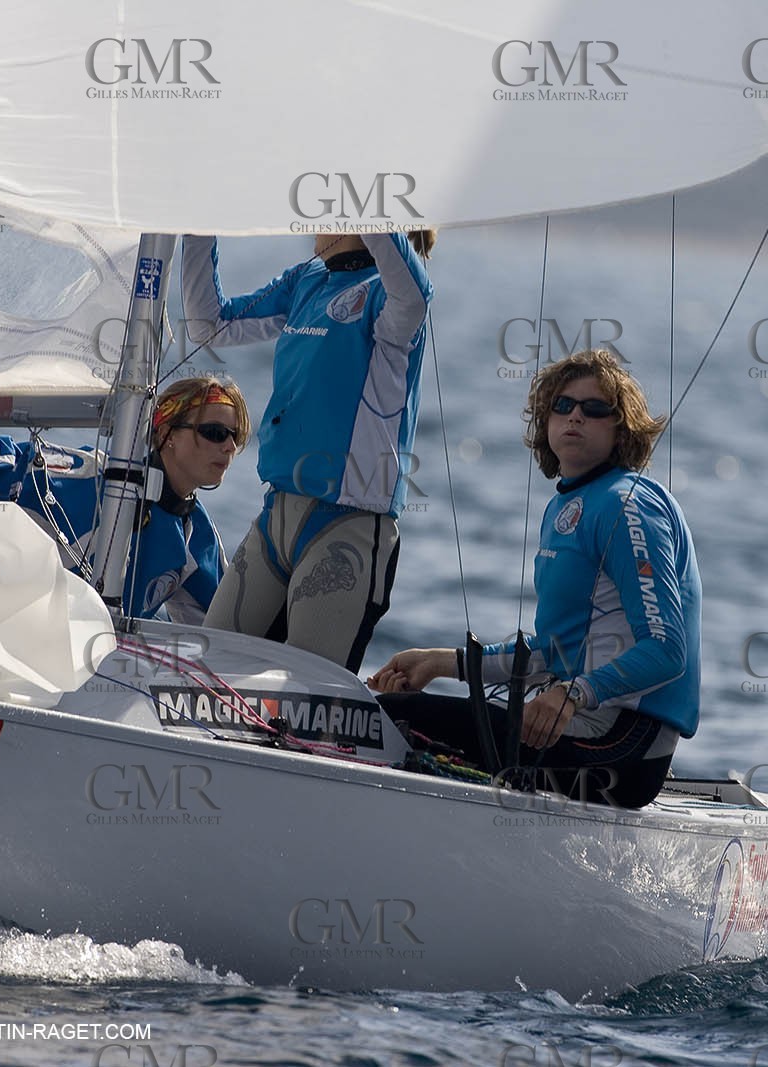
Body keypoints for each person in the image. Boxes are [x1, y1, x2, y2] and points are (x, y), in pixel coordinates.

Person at [368, 349, 699, 809]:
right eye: (562, 406)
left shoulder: (629, 506)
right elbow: (553, 653)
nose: (574, 416)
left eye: (593, 408)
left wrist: (572, 693)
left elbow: (666, 649)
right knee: (387, 717)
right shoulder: (568, 505)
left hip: (625, 748)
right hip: (579, 721)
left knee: (390, 719)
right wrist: (440, 662)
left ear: (621, 426)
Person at [182, 228, 435, 672]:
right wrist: (196, 225)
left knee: (303, 695)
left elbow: (415, 295)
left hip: (348, 525)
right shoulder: (308, 280)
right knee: (206, 669)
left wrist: (366, 195)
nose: (314, 219)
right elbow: (210, 325)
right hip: (277, 517)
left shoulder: (391, 297)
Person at [0, 376, 249, 624]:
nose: (229, 447)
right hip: (31, 643)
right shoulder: (95, 479)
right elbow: (4, 466)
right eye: (215, 433)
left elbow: (219, 632)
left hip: (113, 670)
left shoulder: (197, 534)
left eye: (235, 436)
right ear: (167, 434)